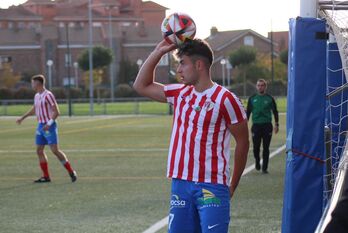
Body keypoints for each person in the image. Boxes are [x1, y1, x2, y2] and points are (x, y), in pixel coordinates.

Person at [133, 39, 249, 233]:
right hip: (180, 184)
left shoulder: (226, 99)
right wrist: (157, 52)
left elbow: (243, 143)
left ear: (199, 65)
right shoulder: (179, 93)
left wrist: (233, 184)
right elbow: (141, 86)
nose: (179, 70)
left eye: (182, 63)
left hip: (212, 185)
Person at [16, 74, 77, 183]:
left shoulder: (48, 95)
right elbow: (34, 109)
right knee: (39, 150)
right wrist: (22, 118)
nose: (31, 85)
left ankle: (71, 171)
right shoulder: (36, 96)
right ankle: (46, 176)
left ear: (37, 83)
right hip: (40, 126)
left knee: (55, 150)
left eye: (32, 83)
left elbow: (56, 111)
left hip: (49, 126)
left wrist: (49, 124)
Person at [247, 79, 279, 174]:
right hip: (256, 126)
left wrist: (276, 124)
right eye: (258, 85)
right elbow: (248, 113)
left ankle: (264, 168)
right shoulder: (252, 98)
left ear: (265, 87)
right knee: (256, 147)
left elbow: (275, 112)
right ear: (256, 87)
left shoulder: (269, 98)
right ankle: (257, 161)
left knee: (266, 147)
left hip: (267, 126)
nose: (260, 87)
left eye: (262, 85)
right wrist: (245, 125)